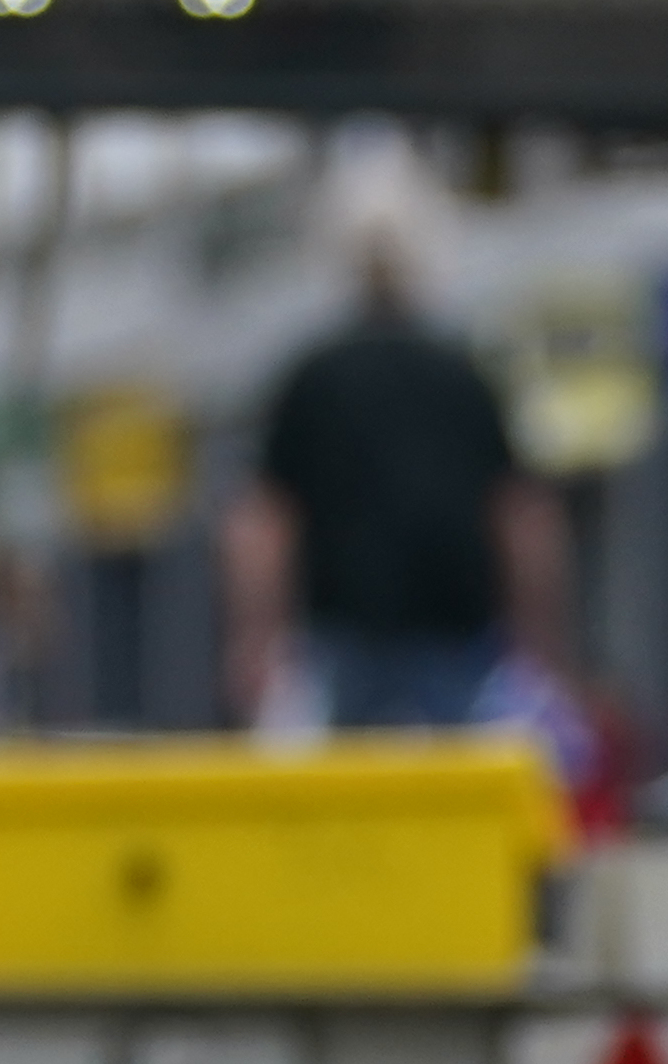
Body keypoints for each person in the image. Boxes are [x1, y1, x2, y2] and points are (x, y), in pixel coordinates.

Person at [225, 190, 568, 733]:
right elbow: (522, 517)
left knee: (353, 797)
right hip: (456, 630)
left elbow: (265, 524)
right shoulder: (464, 374)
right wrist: (541, 642)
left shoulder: (314, 377)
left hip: (346, 630)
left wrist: (256, 639)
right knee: (459, 792)